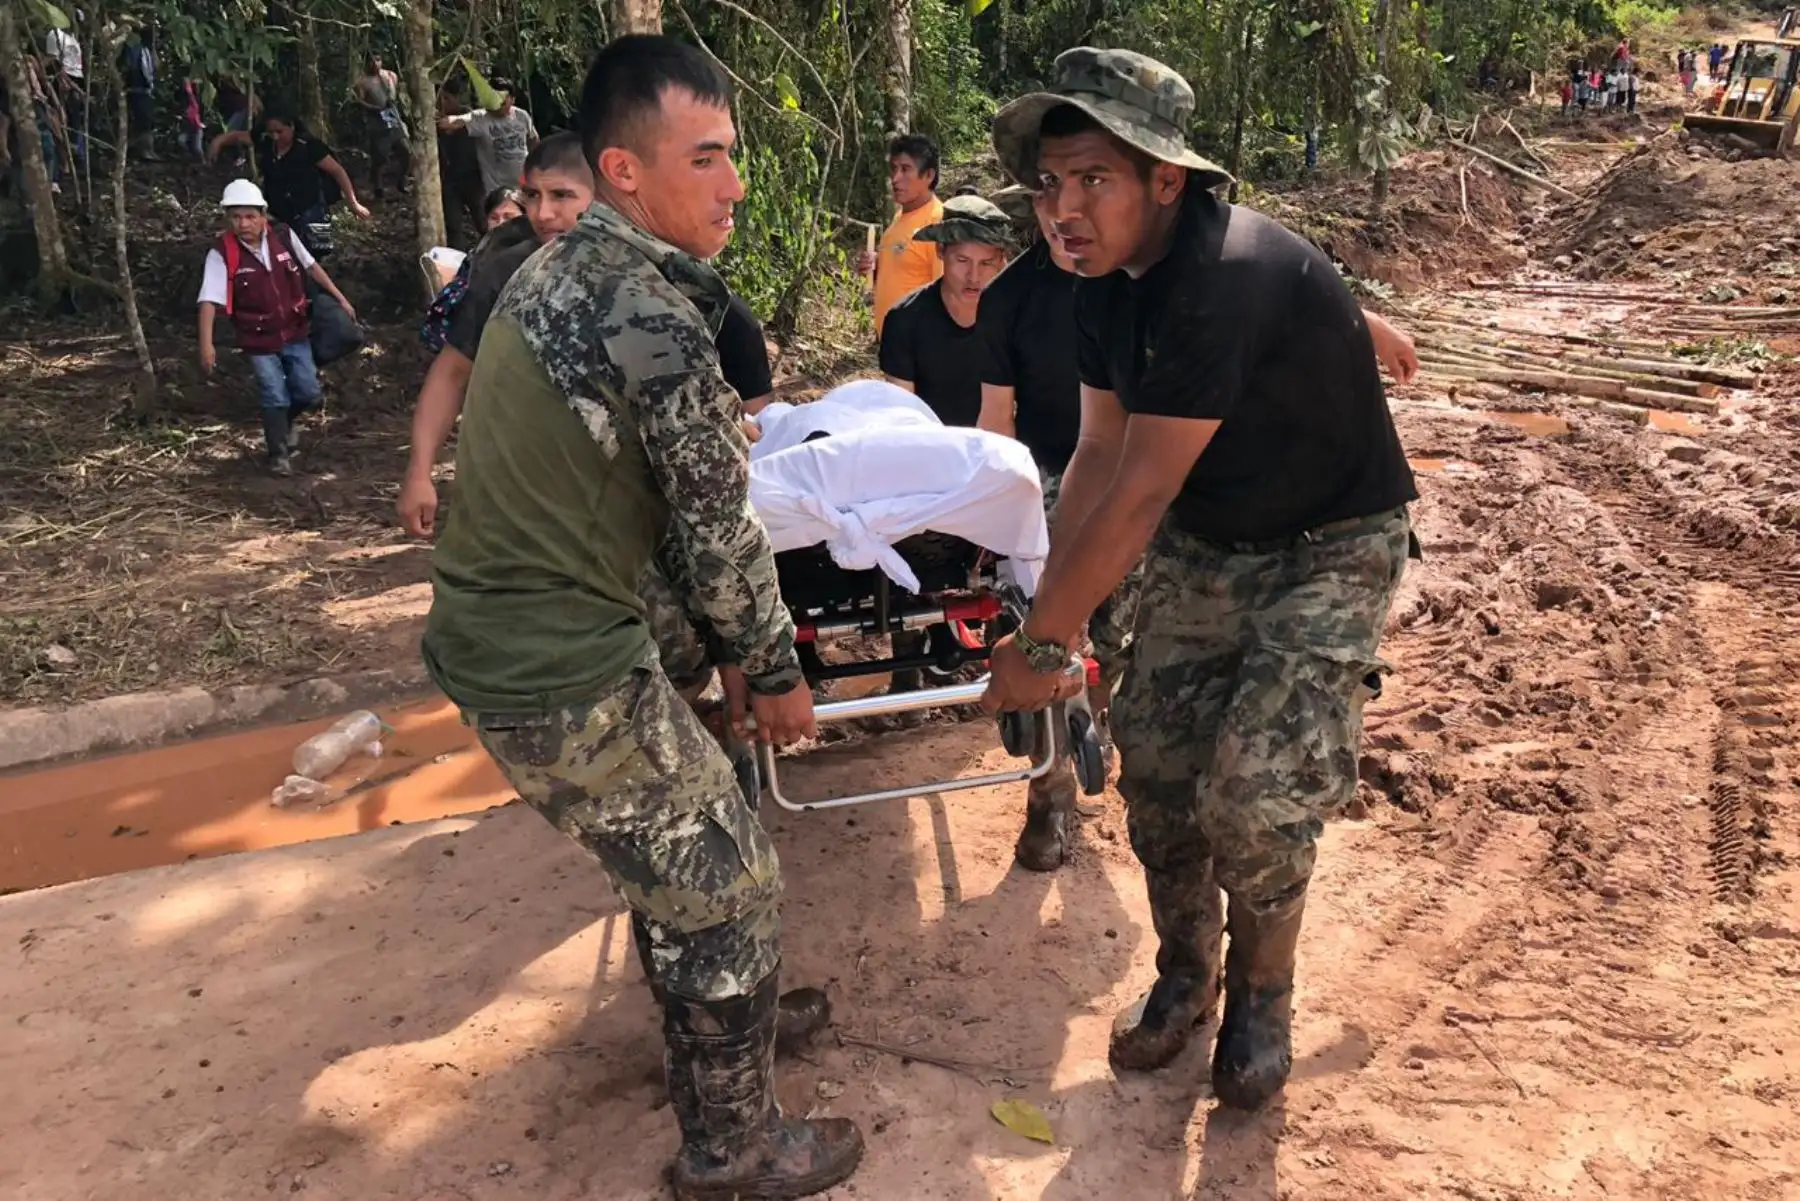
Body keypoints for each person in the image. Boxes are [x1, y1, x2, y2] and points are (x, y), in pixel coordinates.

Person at [421, 35, 863, 1199]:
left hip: (518, 639)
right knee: (731, 876)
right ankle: (733, 1145)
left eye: (735, 156)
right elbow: (720, 534)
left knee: (687, 851)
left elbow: (660, 517)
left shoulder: (562, 276)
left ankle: (730, 1034)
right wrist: (773, 670)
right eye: (708, 158)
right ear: (624, 170)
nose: (736, 186)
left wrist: (717, 658)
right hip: (553, 662)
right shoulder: (648, 316)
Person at [983, 47, 1417, 1112]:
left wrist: (1043, 645)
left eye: (1093, 180)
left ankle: (1264, 994)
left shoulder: (1217, 281)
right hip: (1212, 533)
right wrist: (1051, 601)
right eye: (1049, 184)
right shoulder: (1094, 285)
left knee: (1258, 792)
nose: (1063, 209)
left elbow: (1135, 494)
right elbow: (1095, 451)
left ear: (1165, 180)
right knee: (1163, 768)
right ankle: (1188, 970)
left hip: (1332, 538)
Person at [196, 179, 357, 475]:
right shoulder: (222, 253)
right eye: (236, 217)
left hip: (295, 330)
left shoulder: (283, 236)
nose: (243, 224)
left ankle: (284, 424)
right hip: (257, 337)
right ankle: (278, 454)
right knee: (274, 393)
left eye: (249, 216)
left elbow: (311, 266)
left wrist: (340, 297)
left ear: (263, 215)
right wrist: (206, 345)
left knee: (308, 392)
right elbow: (208, 299)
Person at [878, 193, 1011, 427]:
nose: (973, 276)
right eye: (962, 260)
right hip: (929, 448)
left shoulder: (1014, 321)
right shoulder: (905, 320)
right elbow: (903, 418)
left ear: (1002, 260)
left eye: (986, 263)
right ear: (940, 251)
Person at [208, 110, 370, 255]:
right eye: (271, 132)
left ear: (291, 126)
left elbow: (337, 171)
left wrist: (353, 203)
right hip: (279, 214)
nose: (276, 136)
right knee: (282, 256)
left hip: (310, 212)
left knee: (315, 255)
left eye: (280, 131)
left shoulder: (309, 147)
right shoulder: (266, 143)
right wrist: (218, 142)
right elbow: (238, 136)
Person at [857, 133, 945, 336]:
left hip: (920, 348)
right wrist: (876, 268)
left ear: (929, 175)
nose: (895, 178)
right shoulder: (899, 218)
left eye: (906, 169)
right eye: (894, 169)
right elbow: (907, 271)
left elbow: (945, 293)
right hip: (894, 347)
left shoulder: (937, 223)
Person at [437, 76, 538, 197]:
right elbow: (457, 121)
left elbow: (533, 139)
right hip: (496, 189)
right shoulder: (481, 117)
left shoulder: (522, 115)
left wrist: (532, 165)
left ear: (512, 100)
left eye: (502, 102)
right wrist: (442, 120)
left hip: (523, 185)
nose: (497, 106)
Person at [353, 53, 410, 199]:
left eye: (378, 60)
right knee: (380, 155)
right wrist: (374, 108)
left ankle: (402, 180)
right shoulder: (362, 82)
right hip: (376, 120)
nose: (375, 64)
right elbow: (360, 101)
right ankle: (377, 186)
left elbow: (397, 95)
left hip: (393, 117)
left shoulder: (391, 75)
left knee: (405, 149)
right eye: (372, 61)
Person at [119, 23, 159, 161]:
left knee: (147, 120)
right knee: (143, 120)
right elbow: (128, 66)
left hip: (146, 90)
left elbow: (155, 67)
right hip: (136, 89)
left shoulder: (148, 51)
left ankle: (146, 149)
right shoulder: (134, 48)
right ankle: (143, 150)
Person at [179, 78, 205, 159]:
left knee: (197, 148)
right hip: (188, 125)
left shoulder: (197, 99)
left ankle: (203, 162)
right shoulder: (184, 99)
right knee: (181, 141)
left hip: (196, 126)